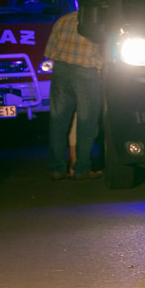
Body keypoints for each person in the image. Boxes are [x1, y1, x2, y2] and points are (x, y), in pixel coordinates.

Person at [44, 10, 103, 180]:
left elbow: (49, 51)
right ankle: (81, 168)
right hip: (86, 73)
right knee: (87, 123)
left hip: (60, 71)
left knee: (58, 122)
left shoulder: (63, 20)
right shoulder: (98, 20)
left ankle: (57, 168)